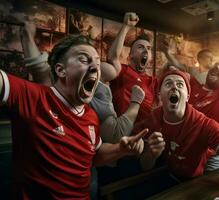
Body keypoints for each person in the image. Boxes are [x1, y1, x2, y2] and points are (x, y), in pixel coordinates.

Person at [0, 33, 147, 199]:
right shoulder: (32, 96)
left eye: (97, 63)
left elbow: (95, 154)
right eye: (84, 60)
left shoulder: (91, 115)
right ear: (61, 70)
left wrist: (120, 149)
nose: (95, 68)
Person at [138, 69, 219, 187]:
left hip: (193, 182)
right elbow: (145, 165)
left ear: (188, 96)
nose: (174, 87)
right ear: (160, 95)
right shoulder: (154, 118)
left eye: (180, 84)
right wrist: (151, 153)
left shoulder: (203, 124)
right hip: (167, 176)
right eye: (168, 84)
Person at [163, 22, 219, 171]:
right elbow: (181, 68)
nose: (216, 67)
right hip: (185, 149)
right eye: (215, 65)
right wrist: (168, 54)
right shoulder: (193, 85)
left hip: (211, 155)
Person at [101, 12, 157, 123]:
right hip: (122, 133)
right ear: (130, 55)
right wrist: (126, 26)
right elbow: (112, 57)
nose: (146, 50)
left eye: (149, 48)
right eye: (140, 47)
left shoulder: (153, 81)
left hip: (144, 135)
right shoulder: (122, 70)